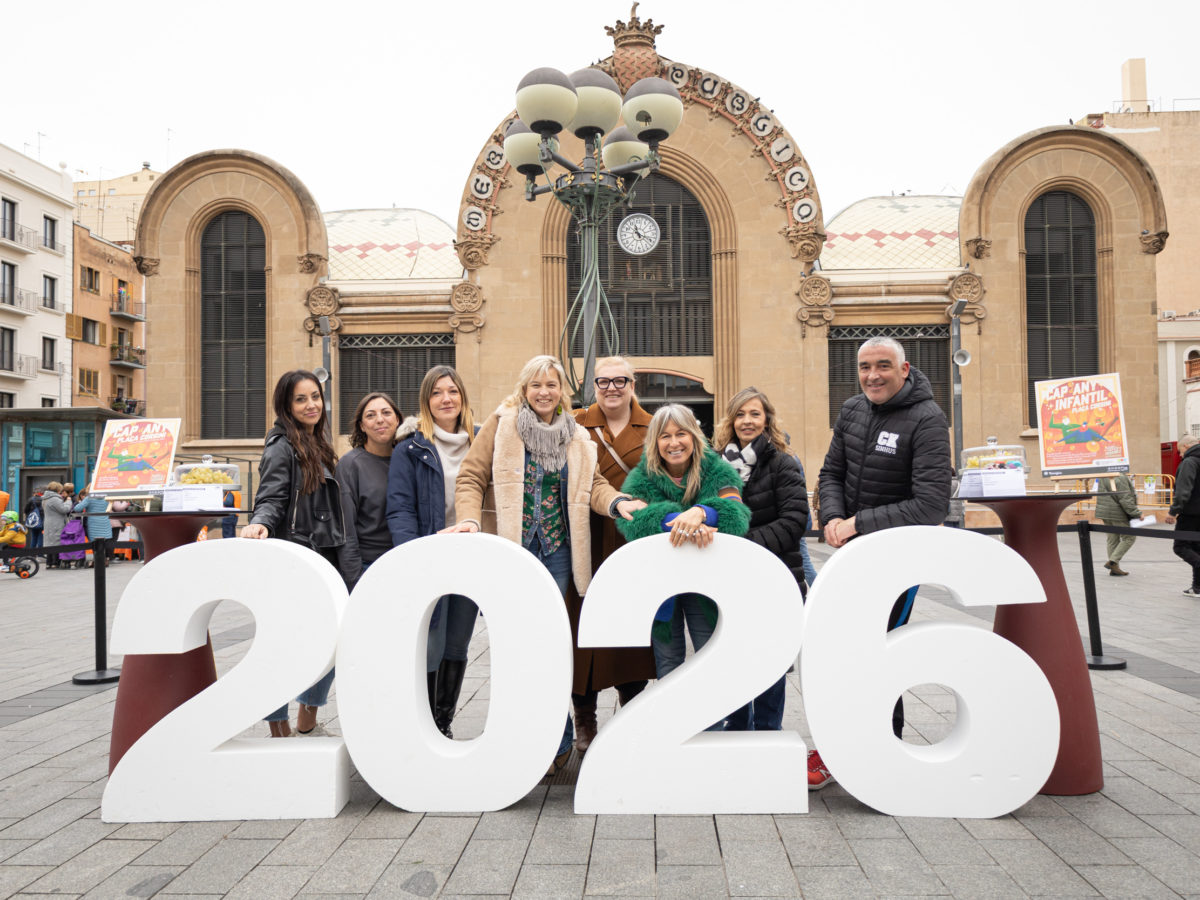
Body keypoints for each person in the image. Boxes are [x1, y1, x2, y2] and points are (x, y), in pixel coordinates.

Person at [451, 355, 644, 775]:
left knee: (552, 645)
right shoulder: (501, 426)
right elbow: (470, 476)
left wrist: (617, 501)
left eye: (552, 385)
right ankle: (523, 735)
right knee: (516, 642)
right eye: (536, 385)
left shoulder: (575, 434)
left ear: (562, 392)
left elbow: (592, 484)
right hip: (514, 550)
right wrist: (468, 517)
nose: (544, 392)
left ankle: (556, 742)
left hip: (558, 554)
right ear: (524, 388)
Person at [816, 335, 951, 788]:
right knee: (843, 652)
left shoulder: (928, 419)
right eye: (865, 367)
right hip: (852, 557)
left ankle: (883, 748)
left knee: (877, 655)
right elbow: (831, 472)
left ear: (904, 369)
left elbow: (931, 505)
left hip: (896, 564)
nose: (872, 375)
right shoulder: (853, 409)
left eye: (882, 366)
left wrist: (857, 523)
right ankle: (845, 744)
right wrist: (833, 517)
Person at [617, 404, 751, 706]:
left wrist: (703, 511)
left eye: (681, 434)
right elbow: (633, 522)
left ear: (694, 436)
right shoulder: (643, 477)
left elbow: (737, 513)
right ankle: (671, 732)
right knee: (668, 662)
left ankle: (712, 733)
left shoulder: (717, 470)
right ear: (655, 442)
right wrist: (685, 521)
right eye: (665, 436)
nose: (674, 442)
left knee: (709, 656)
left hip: (708, 584)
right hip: (663, 589)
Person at [242, 370, 346, 737]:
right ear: (286, 405)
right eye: (300, 399)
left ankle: (307, 715)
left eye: (315, 396)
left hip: (321, 557)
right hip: (296, 557)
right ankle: (279, 725)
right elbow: (270, 496)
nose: (311, 404)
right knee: (282, 646)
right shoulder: (282, 445)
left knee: (332, 642)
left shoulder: (318, 443)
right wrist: (261, 523)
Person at [569, 356, 657, 751]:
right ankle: (584, 719)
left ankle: (633, 710)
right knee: (580, 632)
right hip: (583, 538)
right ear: (594, 386)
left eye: (620, 380)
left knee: (628, 630)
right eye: (603, 382)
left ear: (633, 383)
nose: (611, 388)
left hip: (631, 539)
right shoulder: (573, 424)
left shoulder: (655, 426)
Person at [388, 366, 478, 738]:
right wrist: (415, 559)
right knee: (431, 644)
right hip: (431, 558)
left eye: (453, 391)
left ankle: (443, 724)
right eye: (438, 393)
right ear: (426, 401)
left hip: (473, 559)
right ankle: (422, 724)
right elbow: (400, 508)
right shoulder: (410, 449)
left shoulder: (480, 442)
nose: (446, 399)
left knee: (457, 642)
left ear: (463, 398)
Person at [712, 387, 808, 732]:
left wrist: (745, 545)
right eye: (740, 414)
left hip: (774, 576)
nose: (747, 421)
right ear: (731, 420)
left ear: (767, 419)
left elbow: (796, 521)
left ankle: (768, 733)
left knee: (770, 660)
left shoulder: (783, 462)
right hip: (730, 581)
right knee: (733, 657)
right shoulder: (717, 464)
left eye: (754, 414)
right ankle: (736, 731)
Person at [337, 392, 401, 589]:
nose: (380, 419)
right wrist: (356, 581)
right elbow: (346, 530)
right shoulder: (350, 465)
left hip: (405, 562)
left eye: (386, 412)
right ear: (362, 426)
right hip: (368, 567)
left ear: (397, 419)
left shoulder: (410, 459)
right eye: (371, 415)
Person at [1166, 434, 1200, 597]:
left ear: (1186, 446)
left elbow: (1183, 490)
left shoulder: (1189, 462)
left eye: (1180, 451)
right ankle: (1197, 587)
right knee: (1196, 548)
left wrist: (1174, 511)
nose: (1180, 455)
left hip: (1190, 513)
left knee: (1180, 546)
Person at [1096, 472, 1142, 576]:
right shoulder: (1119, 477)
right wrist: (1137, 513)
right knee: (1129, 537)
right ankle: (1113, 561)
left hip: (1104, 511)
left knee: (1112, 539)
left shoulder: (1105, 474)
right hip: (1117, 512)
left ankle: (1114, 569)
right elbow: (1124, 498)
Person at [73, 488, 114, 564]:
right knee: (105, 542)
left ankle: (97, 561)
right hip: (105, 522)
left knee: (94, 543)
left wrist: (82, 502)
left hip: (93, 523)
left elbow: (77, 509)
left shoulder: (89, 498)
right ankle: (105, 559)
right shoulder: (107, 497)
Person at [42, 482, 72, 569]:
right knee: (56, 542)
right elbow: (64, 509)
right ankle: (55, 562)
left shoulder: (46, 498)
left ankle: (49, 563)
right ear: (57, 489)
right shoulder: (54, 499)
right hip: (56, 523)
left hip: (49, 522)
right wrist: (68, 501)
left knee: (50, 542)